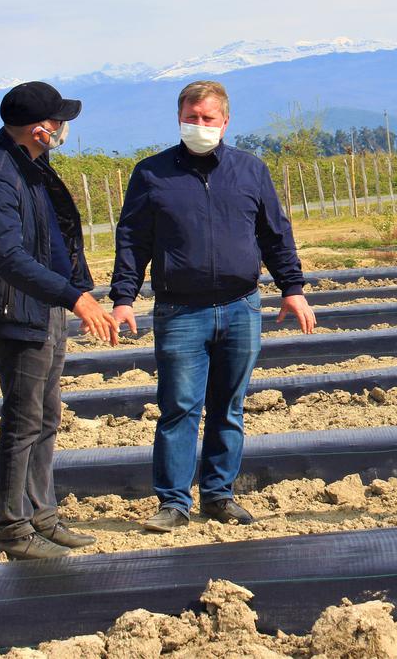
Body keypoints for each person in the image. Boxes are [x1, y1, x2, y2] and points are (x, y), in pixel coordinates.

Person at [110, 80, 317, 532]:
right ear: (179, 118)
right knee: (180, 406)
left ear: (225, 121)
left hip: (240, 307)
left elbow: (274, 234)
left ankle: (219, 495)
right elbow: (132, 239)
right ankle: (173, 503)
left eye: (208, 118)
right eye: (191, 117)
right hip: (180, 311)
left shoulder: (249, 170)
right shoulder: (152, 173)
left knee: (229, 406)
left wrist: (292, 288)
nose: (199, 125)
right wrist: (123, 297)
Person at [0, 81, 119, 560]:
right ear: (40, 129)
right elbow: (6, 256)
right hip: (18, 310)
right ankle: (13, 529)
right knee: (23, 420)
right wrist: (76, 299)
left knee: (46, 416)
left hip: (43, 305)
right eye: (60, 121)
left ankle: (42, 516)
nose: (65, 128)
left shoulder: (31, 166)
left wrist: (75, 287)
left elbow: (52, 235)